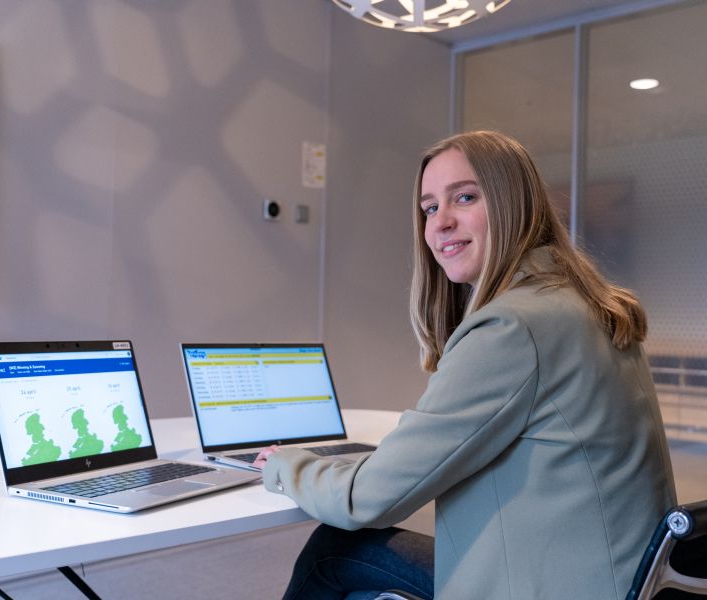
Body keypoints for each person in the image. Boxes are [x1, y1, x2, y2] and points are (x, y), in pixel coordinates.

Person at [253, 130, 676, 599]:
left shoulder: (513, 327)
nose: (440, 223)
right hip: (624, 577)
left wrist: (286, 465)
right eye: (430, 207)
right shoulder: (585, 303)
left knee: (334, 549)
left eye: (465, 197)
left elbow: (368, 499)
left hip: (555, 585)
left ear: (514, 204)